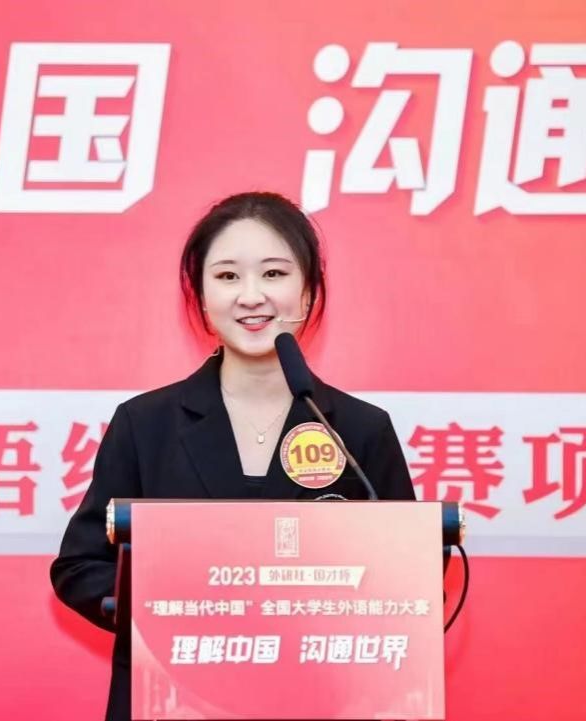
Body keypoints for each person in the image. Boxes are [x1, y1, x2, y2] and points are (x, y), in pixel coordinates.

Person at [50, 191, 416, 721]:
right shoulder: (145, 423)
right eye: (227, 276)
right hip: (172, 699)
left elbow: (410, 576)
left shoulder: (359, 430)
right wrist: (174, 610)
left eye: (273, 274)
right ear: (200, 296)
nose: (251, 296)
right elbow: (80, 567)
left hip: (318, 702)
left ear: (308, 291)